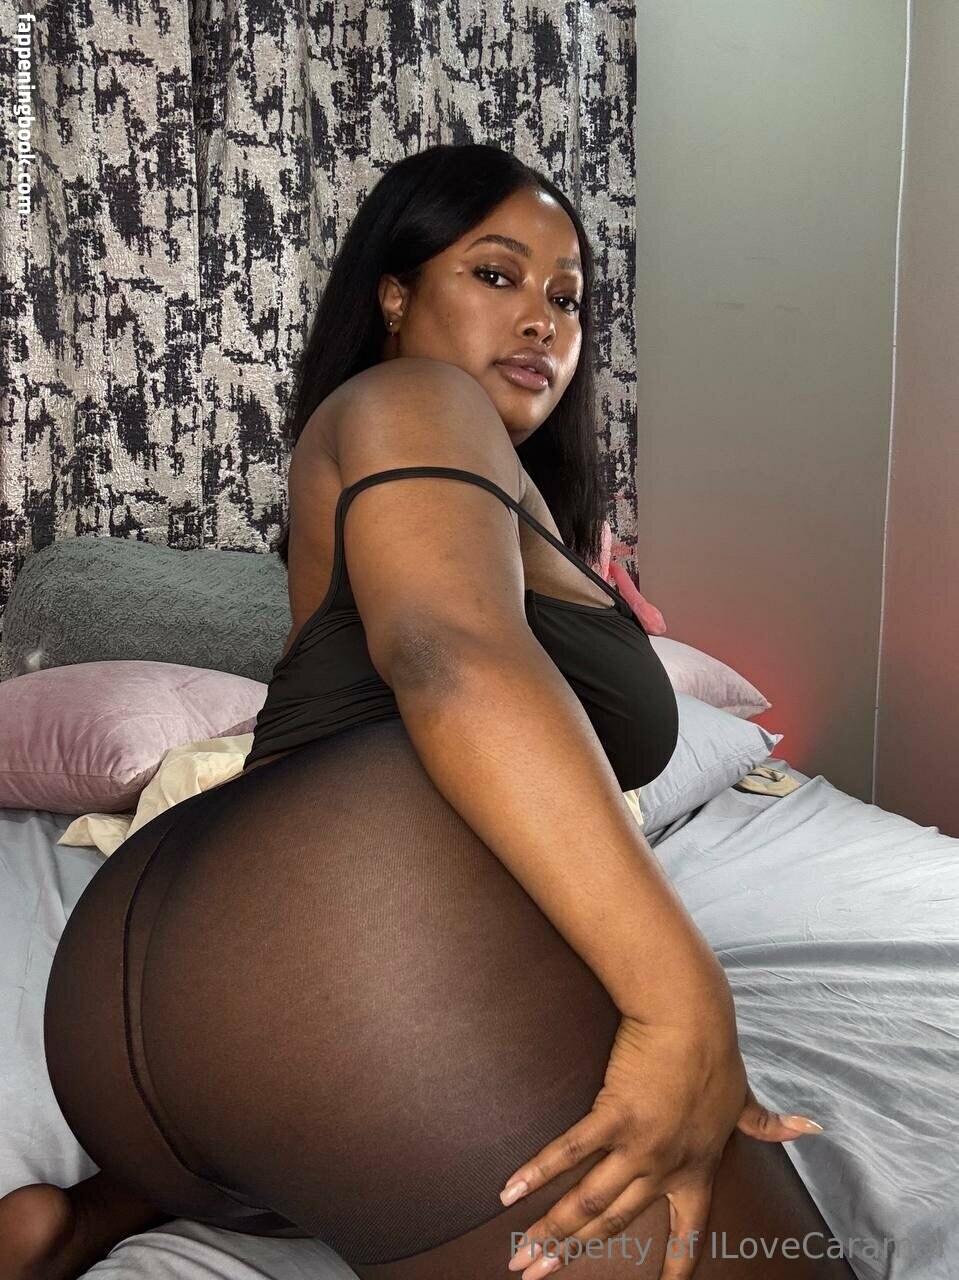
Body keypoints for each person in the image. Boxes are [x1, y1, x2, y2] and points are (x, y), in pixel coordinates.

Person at [1, 144, 856, 1280]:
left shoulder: (450, 484)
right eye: (495, 275)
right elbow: (448, 654)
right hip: (339, 953)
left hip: (149, 1019)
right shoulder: (418, 397)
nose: (543, 319)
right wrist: (679, 999)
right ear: (395, 294)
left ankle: (94, 1215)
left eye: (567, 298)